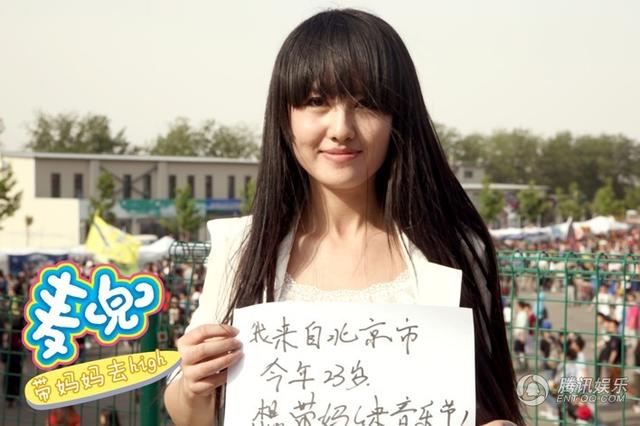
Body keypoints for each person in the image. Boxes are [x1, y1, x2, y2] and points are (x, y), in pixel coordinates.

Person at [163, 8, 522, 426]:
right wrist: (194, 386)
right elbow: (190, 413)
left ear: (398, 116)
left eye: (366, 103)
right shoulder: (241, 249)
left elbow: (479, 401)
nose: (341, 128)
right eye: (317, 102)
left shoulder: (454, 250)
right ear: (285, 117)